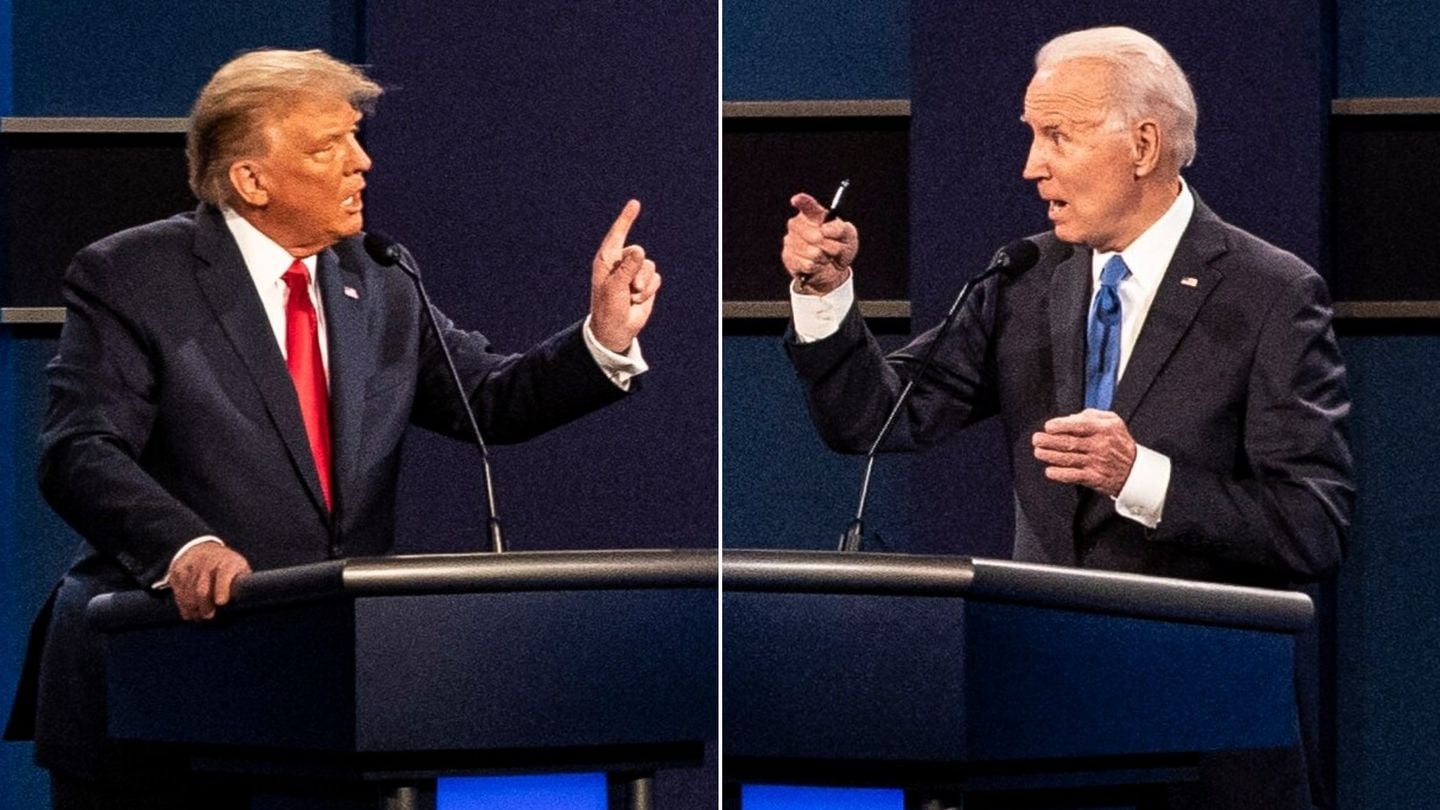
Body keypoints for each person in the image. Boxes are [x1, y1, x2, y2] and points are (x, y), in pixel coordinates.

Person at [6, 49, 661, 808]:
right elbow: (82, 450)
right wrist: (186, 546)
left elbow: (489, 398)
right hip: (162, 692)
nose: (363, 162)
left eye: (355, 137)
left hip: (332, 703)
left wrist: (603, 338)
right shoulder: (132, 275)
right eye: (330, 146)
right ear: (252, 180)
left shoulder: (378, 278)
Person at [780, 26, 1351, 810]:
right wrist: (824, 297)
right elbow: (876, 421)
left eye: (1058, 136)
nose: (1031, 165)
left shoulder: (1270, 294)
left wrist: (1141, 477)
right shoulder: (1024, 277)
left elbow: (1310, 525)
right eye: (1032, 136)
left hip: (1202, 743)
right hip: (1046, 744)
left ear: (1144, 144)